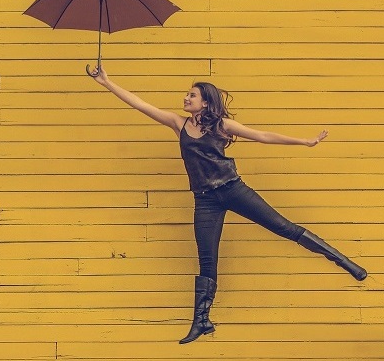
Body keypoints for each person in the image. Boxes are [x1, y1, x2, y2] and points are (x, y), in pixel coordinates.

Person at [86, 65, 367, 344]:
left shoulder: (222, 125)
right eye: (187, 94)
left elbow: (263, 135)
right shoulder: (178, 123)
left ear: (205, 102)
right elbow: (140, 104)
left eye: (191, 95)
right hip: (205, 200)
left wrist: (304, 141)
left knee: (284, 228)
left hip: (233, 190)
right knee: (207, 260)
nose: (186, 98)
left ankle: (344, 261)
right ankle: (202, 321)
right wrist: (106, 82)